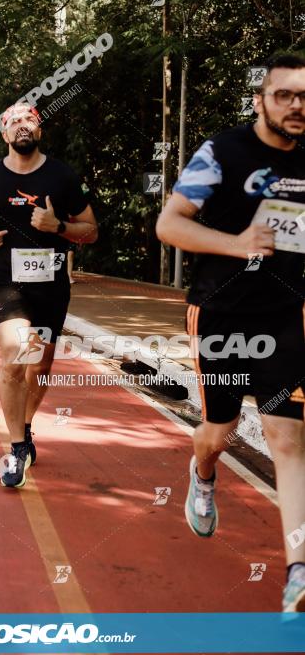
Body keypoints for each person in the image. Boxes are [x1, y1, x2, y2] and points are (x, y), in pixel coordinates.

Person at [156, 53, 305, 613]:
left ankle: (297, 571)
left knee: (289, 441)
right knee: (219, 433)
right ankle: (202, 472)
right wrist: (236, 243)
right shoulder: (222, 151)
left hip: (285, 316)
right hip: (222, 315)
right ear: (261, 99)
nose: (296, 106)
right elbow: (168, 224)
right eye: (285, 95)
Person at [0, 102, 98, 488]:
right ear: (5, 135)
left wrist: (59, 227)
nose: (22, 125)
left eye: (29, 119)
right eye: (14, 121)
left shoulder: (62, 176)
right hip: (6, 283)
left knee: (40, 366)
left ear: (39, 130)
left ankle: (24, 425)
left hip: (51, 287)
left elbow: (91, 230)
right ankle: (17, 447)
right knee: (16, 356)